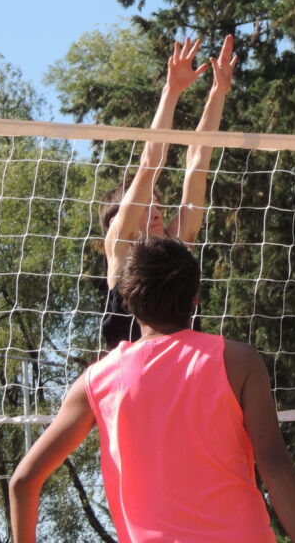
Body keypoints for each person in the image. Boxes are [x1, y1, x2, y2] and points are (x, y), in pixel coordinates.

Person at [9, 237, 295, 543]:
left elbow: (23, 481)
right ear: (194, 298)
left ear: (127, 298)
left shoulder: (97, 381)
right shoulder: (239, 361)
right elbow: (274, 463)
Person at [98, 34, 237, 349]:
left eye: (158, 204)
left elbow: (198, 161)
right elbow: (149, 165)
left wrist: (218, 92)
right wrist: (171, 91)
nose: (157, 211)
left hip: (184, 369)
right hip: (133, 372)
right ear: (118, 219)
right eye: (146, 205)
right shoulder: (121, 247)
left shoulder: (176, 247)